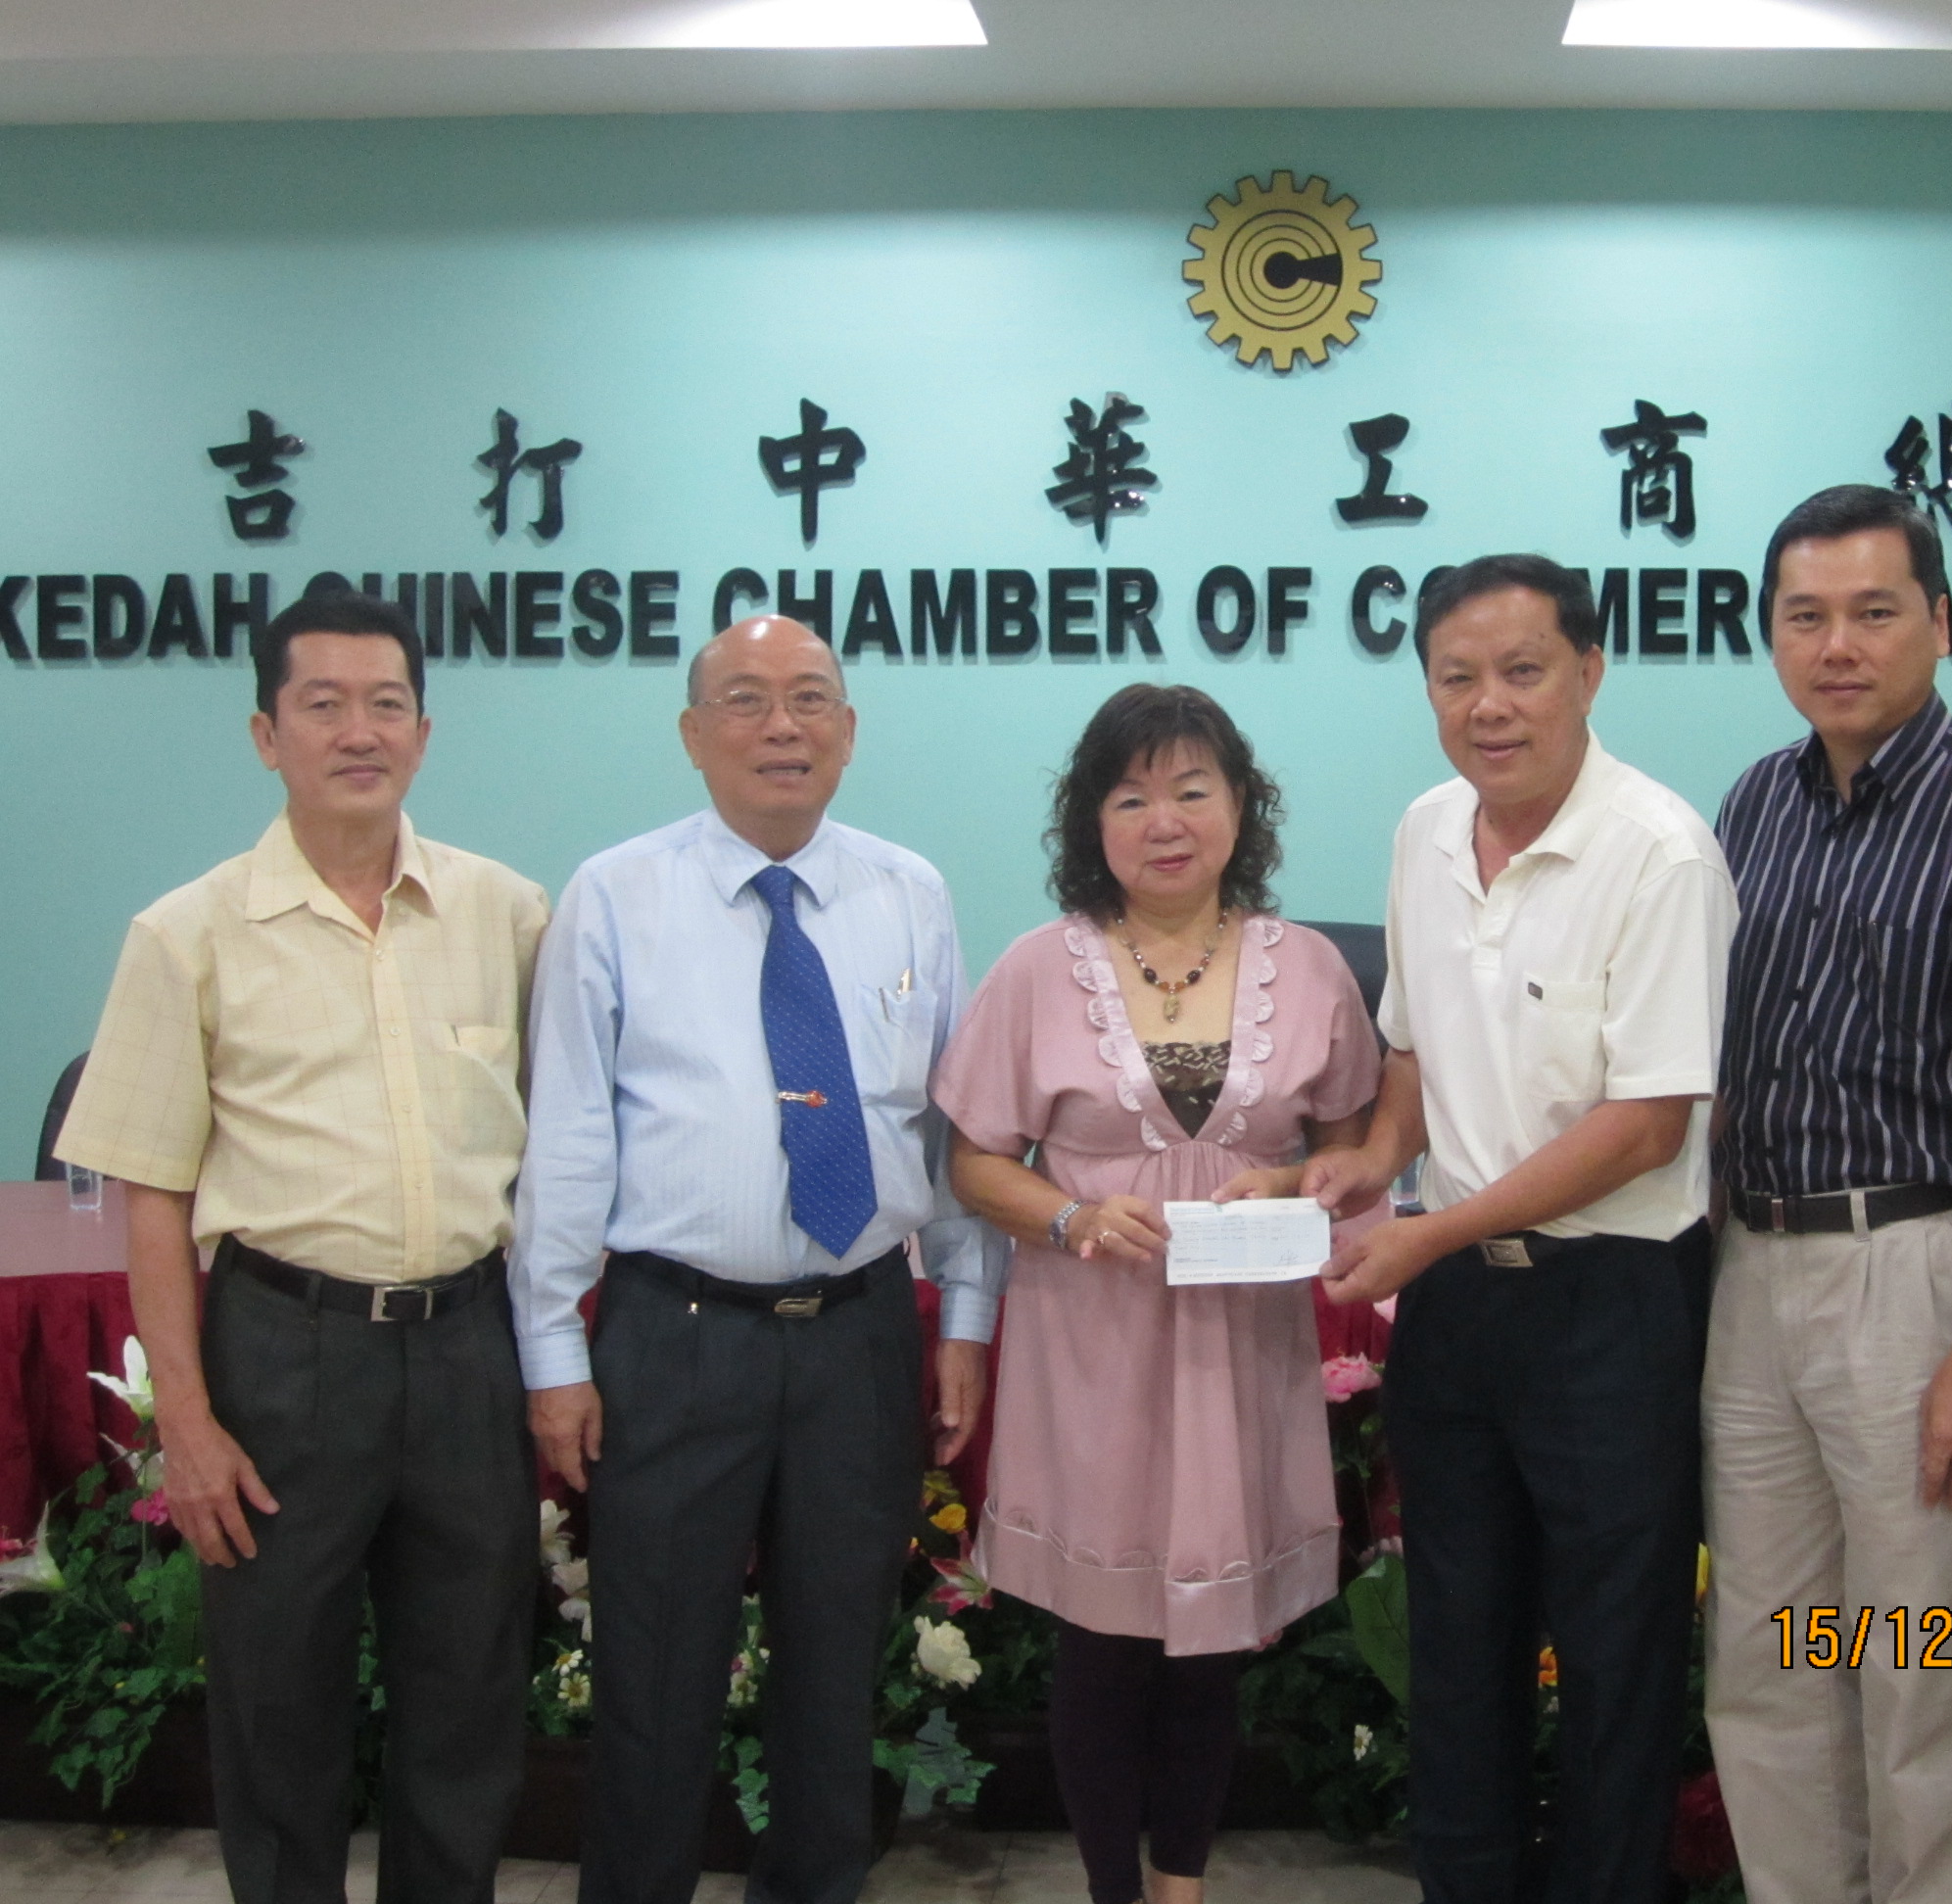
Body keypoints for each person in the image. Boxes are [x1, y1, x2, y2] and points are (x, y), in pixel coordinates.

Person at [53, 591, 548, 1904]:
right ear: (266, 735)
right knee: (278, 1710)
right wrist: (187, 1423)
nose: (357, 731)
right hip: (284, 1355)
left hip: (468, 1350)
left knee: (469, 1700)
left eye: (386, 703)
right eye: (322, 705)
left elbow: (568, 1147)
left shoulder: (508, 915)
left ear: (425, 732)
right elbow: (152, 1193)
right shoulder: (187, 934)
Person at [509, 615, 1004, 1904]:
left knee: (838, 1681)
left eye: (809, 699)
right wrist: (553, 1348)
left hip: (860, 1332)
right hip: (676, 1337)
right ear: (692, 733)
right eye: (744, 700)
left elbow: (952, 1129)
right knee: (655, 1679)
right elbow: (568, 1132)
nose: (781, 726)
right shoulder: (615, 895)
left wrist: (964, 1316)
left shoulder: (911, 892)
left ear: (848, 730)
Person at [1301, 554, 1736, 1904]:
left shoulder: (1660, 852)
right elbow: (1414, 1054)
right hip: (1459, 1308)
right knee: (1457, 1640)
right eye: (1457, 678)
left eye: (1523, 671)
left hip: (1615, 1304)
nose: (1489, 705)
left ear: (1589, 673)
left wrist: (1427, 1233)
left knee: (1616, 1655)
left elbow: (1645, 1126)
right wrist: (1365, 1163)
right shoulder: (1427, 830)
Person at [1702, 484, 1952, 1904]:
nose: (1839, 645)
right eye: (1805, 617)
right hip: (1756, 1267)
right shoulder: (1755, 803)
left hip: (1922, 1272)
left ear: (1939, 621)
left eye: (1874, 612)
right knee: (1769, 1665)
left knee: (1927, 1675)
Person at [931, 683, 1380, 1904]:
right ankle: (1112, 1890)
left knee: (1210, 1647)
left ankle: (1181, 1883)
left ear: (1241, 806)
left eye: (1192, 789)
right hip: (1092, 1341)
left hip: (1239, 1345)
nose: (1165, 821)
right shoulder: (1039, 968)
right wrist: (1070, 1215)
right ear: (1093, 821)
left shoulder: (1312, 967)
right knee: (1103, 1639)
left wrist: (1293, 1178)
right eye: (1131, 798)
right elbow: (973, 1160)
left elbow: (1353, 1146)